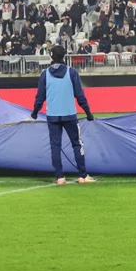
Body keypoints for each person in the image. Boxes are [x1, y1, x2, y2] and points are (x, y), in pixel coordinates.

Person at [30, 45, 96, 185]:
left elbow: (40, 97)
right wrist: (88, 112)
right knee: (77, 144)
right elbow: (80, 95)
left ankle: (60, 177)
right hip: (70, 115)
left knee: (55, 146)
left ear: (52, 57)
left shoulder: (45, 74)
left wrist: (35, 112)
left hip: (53, 116)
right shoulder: (72, 72)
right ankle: (82, 176)